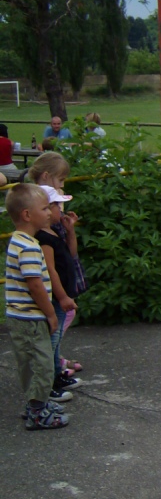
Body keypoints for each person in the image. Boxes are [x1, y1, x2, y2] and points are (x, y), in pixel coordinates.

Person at [5, 183, 69, 430]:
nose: (50, 212)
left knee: (30, 363)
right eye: (44, 208)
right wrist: (51, 314)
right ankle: (37, 412)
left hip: (20, 316)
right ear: (27, 215)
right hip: (30, 317)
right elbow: (35, 285)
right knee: (41, 364)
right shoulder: (29, 247)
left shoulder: (18, 240)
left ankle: (36, 403)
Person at [28, 152, 86, 394]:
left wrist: (70, 231)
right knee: (52, 337)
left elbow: (70, 255)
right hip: (56, 294)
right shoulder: (43, 238)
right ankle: (49, 382)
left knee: (57, 334)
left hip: (63, 290)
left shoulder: (55, 230)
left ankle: (55, 374)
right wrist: (62, 296)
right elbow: (50, 269)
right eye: (53, 206)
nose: (59, 210)